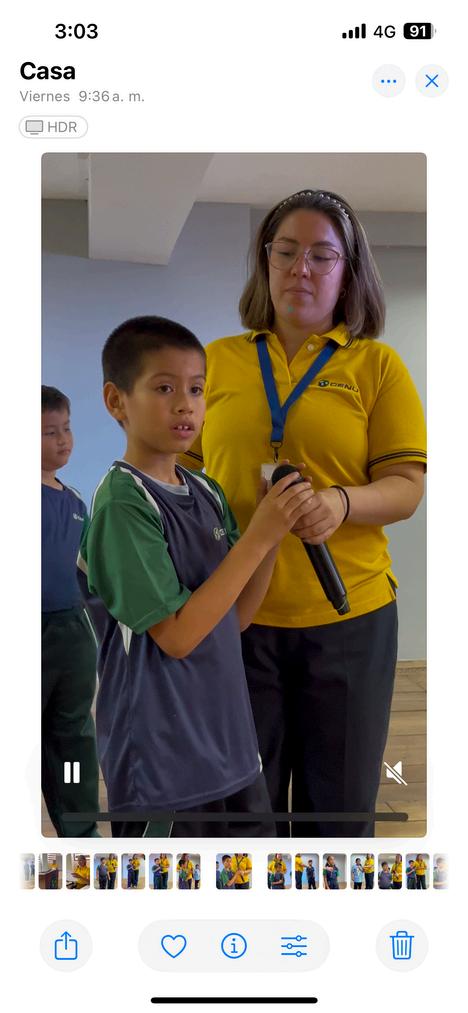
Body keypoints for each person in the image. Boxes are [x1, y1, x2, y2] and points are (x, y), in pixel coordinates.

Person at [178, 189, 426, 837]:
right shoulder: (216, 361)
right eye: (285, 252)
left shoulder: (376, 366)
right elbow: (184, 476)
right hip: (235, 619)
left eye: (321, 255)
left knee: (337, 817)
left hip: (349, 620)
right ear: (265, 261)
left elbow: (406, 486)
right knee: (239, 814)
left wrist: (340, 502)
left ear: (349, 270)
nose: (300, 269)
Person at [78, 317, 313, 837]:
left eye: (197, 389)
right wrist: (258, 538)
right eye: (164, 389)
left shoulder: (206, 491)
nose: (185, 405)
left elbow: (238, 617)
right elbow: (179, 637)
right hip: (164, 768)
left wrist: (274, 530)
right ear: (117, 401)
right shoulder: (123, 503)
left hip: (231, 751)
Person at [41, 386, 100, 837]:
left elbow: (93, 575)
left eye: (67, 429)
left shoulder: (77, 503)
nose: (64, 440)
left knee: (74, 739)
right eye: (49, 432)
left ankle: (80, 828)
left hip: (72, 635)